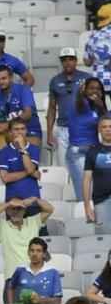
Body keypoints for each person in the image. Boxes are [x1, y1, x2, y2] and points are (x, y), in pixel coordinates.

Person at [49, 48, 93, 199]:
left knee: (83, 166)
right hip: (62, 129)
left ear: (76, 60)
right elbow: (51, 107)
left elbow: (95, 104)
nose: (68, 62)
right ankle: (69, 201)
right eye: (64, 59)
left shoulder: (87, 78)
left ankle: (85, 200)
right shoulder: (55, 80)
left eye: (71, 59)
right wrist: (49, 133)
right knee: (64, 168)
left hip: (82, 130)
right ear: (61, 62)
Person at [7, 238, 63, 304]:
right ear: (28, 252)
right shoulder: (20, 271)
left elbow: (58, 301)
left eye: (38, 251)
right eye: (32, 250)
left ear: (44, 254)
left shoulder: (52, 272)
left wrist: (40, 300)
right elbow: (10, 287)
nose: (34, 254)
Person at [0, 197, 54, 279]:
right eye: (13, 209)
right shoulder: (3, 225)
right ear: (8, 211)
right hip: (13, 277)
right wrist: (9, 203)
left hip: (34, 275)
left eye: (19, 209)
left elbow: (49, 209)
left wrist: (35, 200)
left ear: (24, 210)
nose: (16, 212)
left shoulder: (33, 221)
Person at [0, 118, 43, 214]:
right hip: (13, 202)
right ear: (10, 132)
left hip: (32, 199)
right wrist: (31, 173)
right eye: (16, 129)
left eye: (22, 129)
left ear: (26, 130)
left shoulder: (34, 149)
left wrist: (22, 148)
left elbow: (30, 168)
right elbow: (5, 178)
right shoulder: (4, 152)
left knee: (36, 228)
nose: (20, 132)